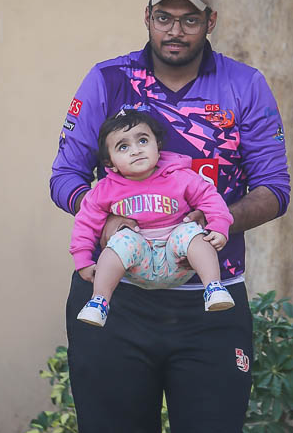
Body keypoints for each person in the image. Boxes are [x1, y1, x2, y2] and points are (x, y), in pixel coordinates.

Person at [50, 0, 290, 433]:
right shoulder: (107, 82)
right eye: (164, 17)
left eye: (189, 18)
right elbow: (64, 176)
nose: (175, 30)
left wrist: (206, 228)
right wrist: (109, 220)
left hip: (209, 306)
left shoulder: (244, 87)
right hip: (114, 303)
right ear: (148, 19)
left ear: (209, 23)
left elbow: (274, 188)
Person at [71, 110, 235, 326]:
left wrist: (219, 226)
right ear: (110, 163)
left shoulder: (180, 177)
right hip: (137, 263)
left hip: (178, 259)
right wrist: (82, 260)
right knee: (120, 241)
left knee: (192, 230)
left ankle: (213, 287)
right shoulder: (105, 190)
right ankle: (99, 301)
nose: (136, 150)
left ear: (157, 146)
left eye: (142, 140)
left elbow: (210, 198)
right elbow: (85, 223)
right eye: (123, 147)